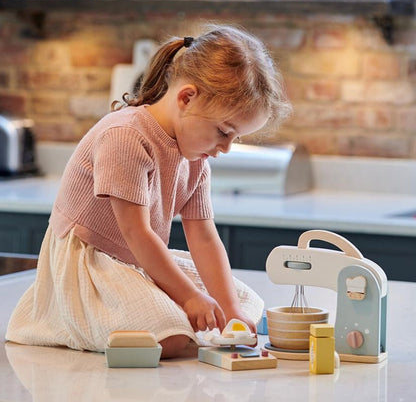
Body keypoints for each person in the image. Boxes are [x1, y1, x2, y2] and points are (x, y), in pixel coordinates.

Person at [6, 24, 292, 358]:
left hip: (135, 261)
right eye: (223, 132)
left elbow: (203, 236)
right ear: (187, 97)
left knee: (245, 306)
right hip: (92, 263)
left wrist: (229, 310)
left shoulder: (195, 156)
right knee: (168, 337)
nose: (226, 148)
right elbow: (137, 234)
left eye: (236, 138)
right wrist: (189, 298)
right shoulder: (126, 137)